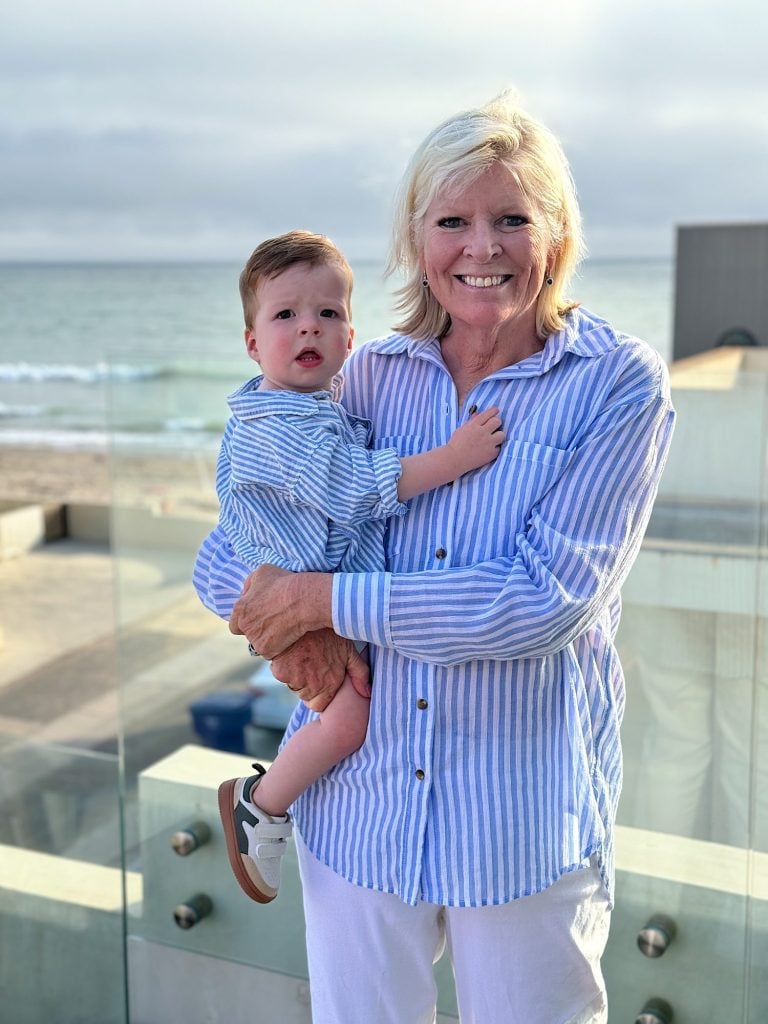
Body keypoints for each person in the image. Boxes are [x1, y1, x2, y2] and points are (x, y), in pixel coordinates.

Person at [195, 93, 675, 1023]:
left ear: (558, 230)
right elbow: (234, 537)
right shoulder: (362, 373)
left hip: (518, 830)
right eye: (452, 220)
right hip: (359, 816)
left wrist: (323, 600)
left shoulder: (619, 386)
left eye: (511, 218)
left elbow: (542, 601)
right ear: (418, 238)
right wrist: (274, 616)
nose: (481, 248)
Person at [195, 230, 504, 904]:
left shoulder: (308, 406)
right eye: (285, 316)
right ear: (252, 344)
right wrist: (453, 459)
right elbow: (354, 489)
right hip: (302, 609)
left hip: (312, 602)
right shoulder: (285, 426)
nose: (309, 325)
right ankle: (260, 802)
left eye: (327, 315)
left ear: (349, 337)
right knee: (345, 724)